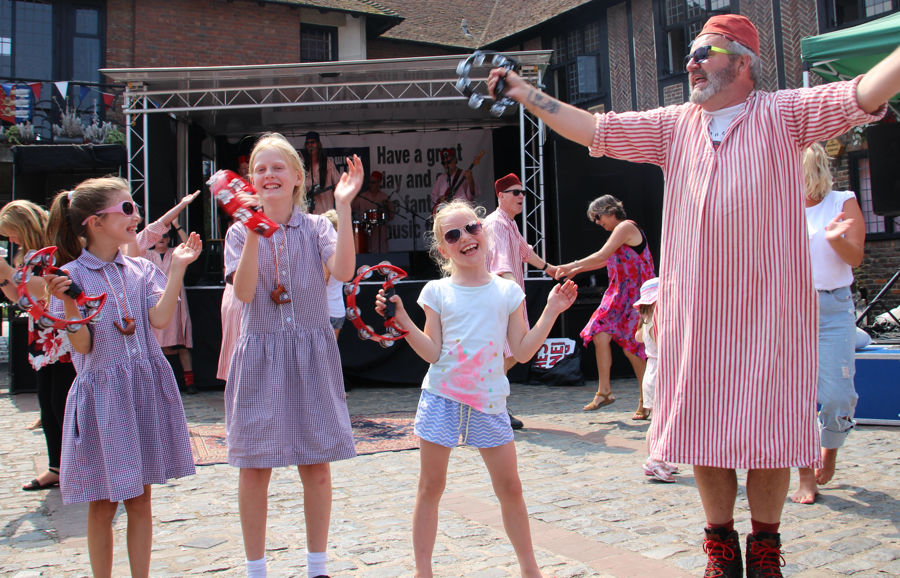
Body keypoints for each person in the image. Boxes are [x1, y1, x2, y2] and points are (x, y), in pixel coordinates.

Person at [488, 12, 900, 577]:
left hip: (770, 315)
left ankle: (765, 549)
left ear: (743, 61)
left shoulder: (784, 114)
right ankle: (720, 547)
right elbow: (594, 130)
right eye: (689, 53)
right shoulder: (672, 124)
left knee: (772, 432)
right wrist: (525, 92)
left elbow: (864, 92)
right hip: (697, 315)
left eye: (705, 51)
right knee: (704, 432)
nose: (691, 61)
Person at [376, 200, 577, 578]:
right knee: (430, 487)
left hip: (489, 402)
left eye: (472, 228)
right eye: (453, 235)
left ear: (483, 231)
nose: (466, 238)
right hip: (442, 399)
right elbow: (432, 352)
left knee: (511, 488)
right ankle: (423, 571)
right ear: (442, 249)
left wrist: (550, 310)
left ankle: (530, 569)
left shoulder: (507, 290)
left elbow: (521, 350)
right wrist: (402, 320)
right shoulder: (436, 291)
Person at [45, 177, 200, 577]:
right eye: (127, 209)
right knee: (104, 501)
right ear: (95, 222)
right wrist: (67, 303)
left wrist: (178, 267)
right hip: (105, 397)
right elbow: (82, 347)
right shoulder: (68, 276)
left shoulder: (140, 270)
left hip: (143, 387)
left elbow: (161, 320)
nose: (137, 216)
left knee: (142, 498)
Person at [224, 132, 363, 578]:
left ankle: (317, 567)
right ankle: (256, 569)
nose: (268, 175)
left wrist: (342, 206)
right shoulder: (235, 232)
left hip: (310, 351)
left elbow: (343, 272)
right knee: (254, 468)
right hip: (260, 355)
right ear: (250, 181)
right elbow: (244, 293)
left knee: (316, 465)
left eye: (278, 167)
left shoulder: (319, 226)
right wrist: (250, 230)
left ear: (298, 178)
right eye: (260, 169)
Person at [791, 143, 865, 505]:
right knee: (798, 398)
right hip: (789, 310)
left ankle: (829, 451)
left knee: (837, 395)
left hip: (833, 307)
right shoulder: (779, 206)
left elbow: (856, 257)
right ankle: (806, 476)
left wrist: (836, 240)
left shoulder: (842, 201)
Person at [554, 195, 654, 420]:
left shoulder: (626, 227)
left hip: (636, 296)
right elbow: (604, 261)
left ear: (610, 211)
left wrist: (571, 265)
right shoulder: (618, 234)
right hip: (619, 295)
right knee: (599, 332)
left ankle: (646, 399)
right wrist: (575, 270)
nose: (598, 223)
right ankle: (604, 392)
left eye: (598, 218)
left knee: (632, 347)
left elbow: (601, 255)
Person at [0, 200, 76, 492]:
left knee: (61, 403)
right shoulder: (25, 257)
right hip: (44, 336)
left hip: (61, 335)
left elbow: (44, 290)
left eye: (12, 232)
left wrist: (9, 272)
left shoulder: (52, 250)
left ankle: (69, 465)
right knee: (48, 402)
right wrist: (5, 278)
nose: (10, 239)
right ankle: (57, 467)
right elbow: (20, 299)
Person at [483, 173, 559, 430]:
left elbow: (524, 251)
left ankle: (492, 405)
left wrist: (548, 267)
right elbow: (502, 263)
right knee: (512, 351)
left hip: (506, 298)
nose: (521, 197)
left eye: (523, 193)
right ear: (501, 196)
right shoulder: (496, 224)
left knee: (511, 353)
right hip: (502, 299)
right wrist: (514, 294)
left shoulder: (509, 224)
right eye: (515, 192)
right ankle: (492, 406)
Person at [633, 277, 678, 483]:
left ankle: (661, 457)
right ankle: (654, 459)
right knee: (659, 422)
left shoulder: (646, 323)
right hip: (661, 372)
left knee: (660, 419)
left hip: (652, 371)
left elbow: (638, 338)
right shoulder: (657, 324)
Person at [351, 170, 394, 253]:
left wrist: (387, 207)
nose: (371, 184)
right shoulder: (362, 197)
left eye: (373, 182)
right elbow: (351, 207)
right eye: (369, 182)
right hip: (365, 230)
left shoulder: (384, 197)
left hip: (380, 230)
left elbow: (391, 215)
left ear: (379, 183)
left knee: (381, 253)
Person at [301, 131, 341, 215]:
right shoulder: (302, 166)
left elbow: (338, 184)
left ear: (318, 144)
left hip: (326, 212)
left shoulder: (328, 164)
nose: (310, 145)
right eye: (307, 143)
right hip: (308, 214)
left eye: (313, 142)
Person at [321, 209, 346, 339]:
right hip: (338, 311)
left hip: (324, 311)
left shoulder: (327, 249)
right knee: (331, 356)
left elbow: (324, 279)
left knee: (320, 358)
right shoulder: (342, 250)